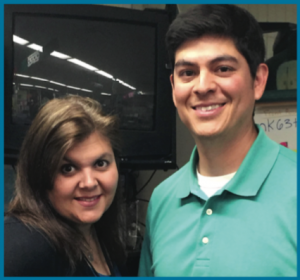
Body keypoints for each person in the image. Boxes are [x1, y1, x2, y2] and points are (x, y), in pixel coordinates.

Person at [138, 4, 296, 277]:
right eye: (188, 72)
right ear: (174, 87)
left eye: (222, 68)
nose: (203, 86)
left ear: (258, 80)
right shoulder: (162, 200)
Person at [5, 95, 127, 276]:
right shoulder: (23, 245)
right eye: (68, 168)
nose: (89, 183)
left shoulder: (98, 231)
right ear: (39, 173)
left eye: (100, 164)